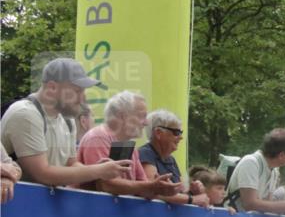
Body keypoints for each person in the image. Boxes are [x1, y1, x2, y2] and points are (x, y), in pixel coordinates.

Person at [0, 58, 131, 187]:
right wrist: (97, 171)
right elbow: (42, 174)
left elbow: (71, 164)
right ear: (52, 87)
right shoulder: (25, 114)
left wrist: (97, 170)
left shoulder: (67, 120)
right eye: (77, 91)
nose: (83, 98)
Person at [77, 91, 181, 199]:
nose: (146, 123)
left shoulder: (130, 148)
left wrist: (162, 188)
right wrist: (152, 186)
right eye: (142, 116)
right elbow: (107, 185)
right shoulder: (98, 137)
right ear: (122, 116)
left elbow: (143, 189)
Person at [139, 109, 210, 207]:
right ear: (158, 133)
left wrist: (193, 192)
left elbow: (180, 193)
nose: (181, 137)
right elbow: (152, 193)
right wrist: (192, 199)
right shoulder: (145, 153)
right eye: (176, 132)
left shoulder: (170, 160)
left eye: (181, 132)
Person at [225, 128, 285, 214]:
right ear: (281, 155)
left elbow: (266, 205)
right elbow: (250, 204)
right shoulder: (251, 162)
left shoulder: (274, 170)